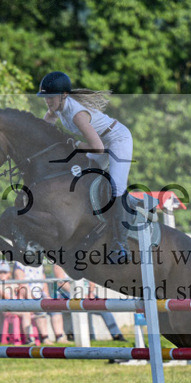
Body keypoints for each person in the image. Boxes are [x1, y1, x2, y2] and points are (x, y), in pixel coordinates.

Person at [37, 71, 134, 259]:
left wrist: (74, 143)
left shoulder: (77, 114)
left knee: (116, 187)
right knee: (79, 175)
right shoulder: (56, 107)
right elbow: (44, 128)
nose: (47, 101)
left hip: (117, 140)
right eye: (45, 97)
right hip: (100, 142)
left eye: (51, 97)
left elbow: (98, 148)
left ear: (64, 95)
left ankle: (121, 244)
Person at [13, 261, 64, 343]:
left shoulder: (38, 263)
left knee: (55, 307)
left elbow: (44, 281)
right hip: (27, 296)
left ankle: (60, 337)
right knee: (40, 311)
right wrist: (31, 299)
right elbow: (21, 284)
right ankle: (45, 338)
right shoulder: (19, 264)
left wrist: (47, 296)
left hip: (40, 293)